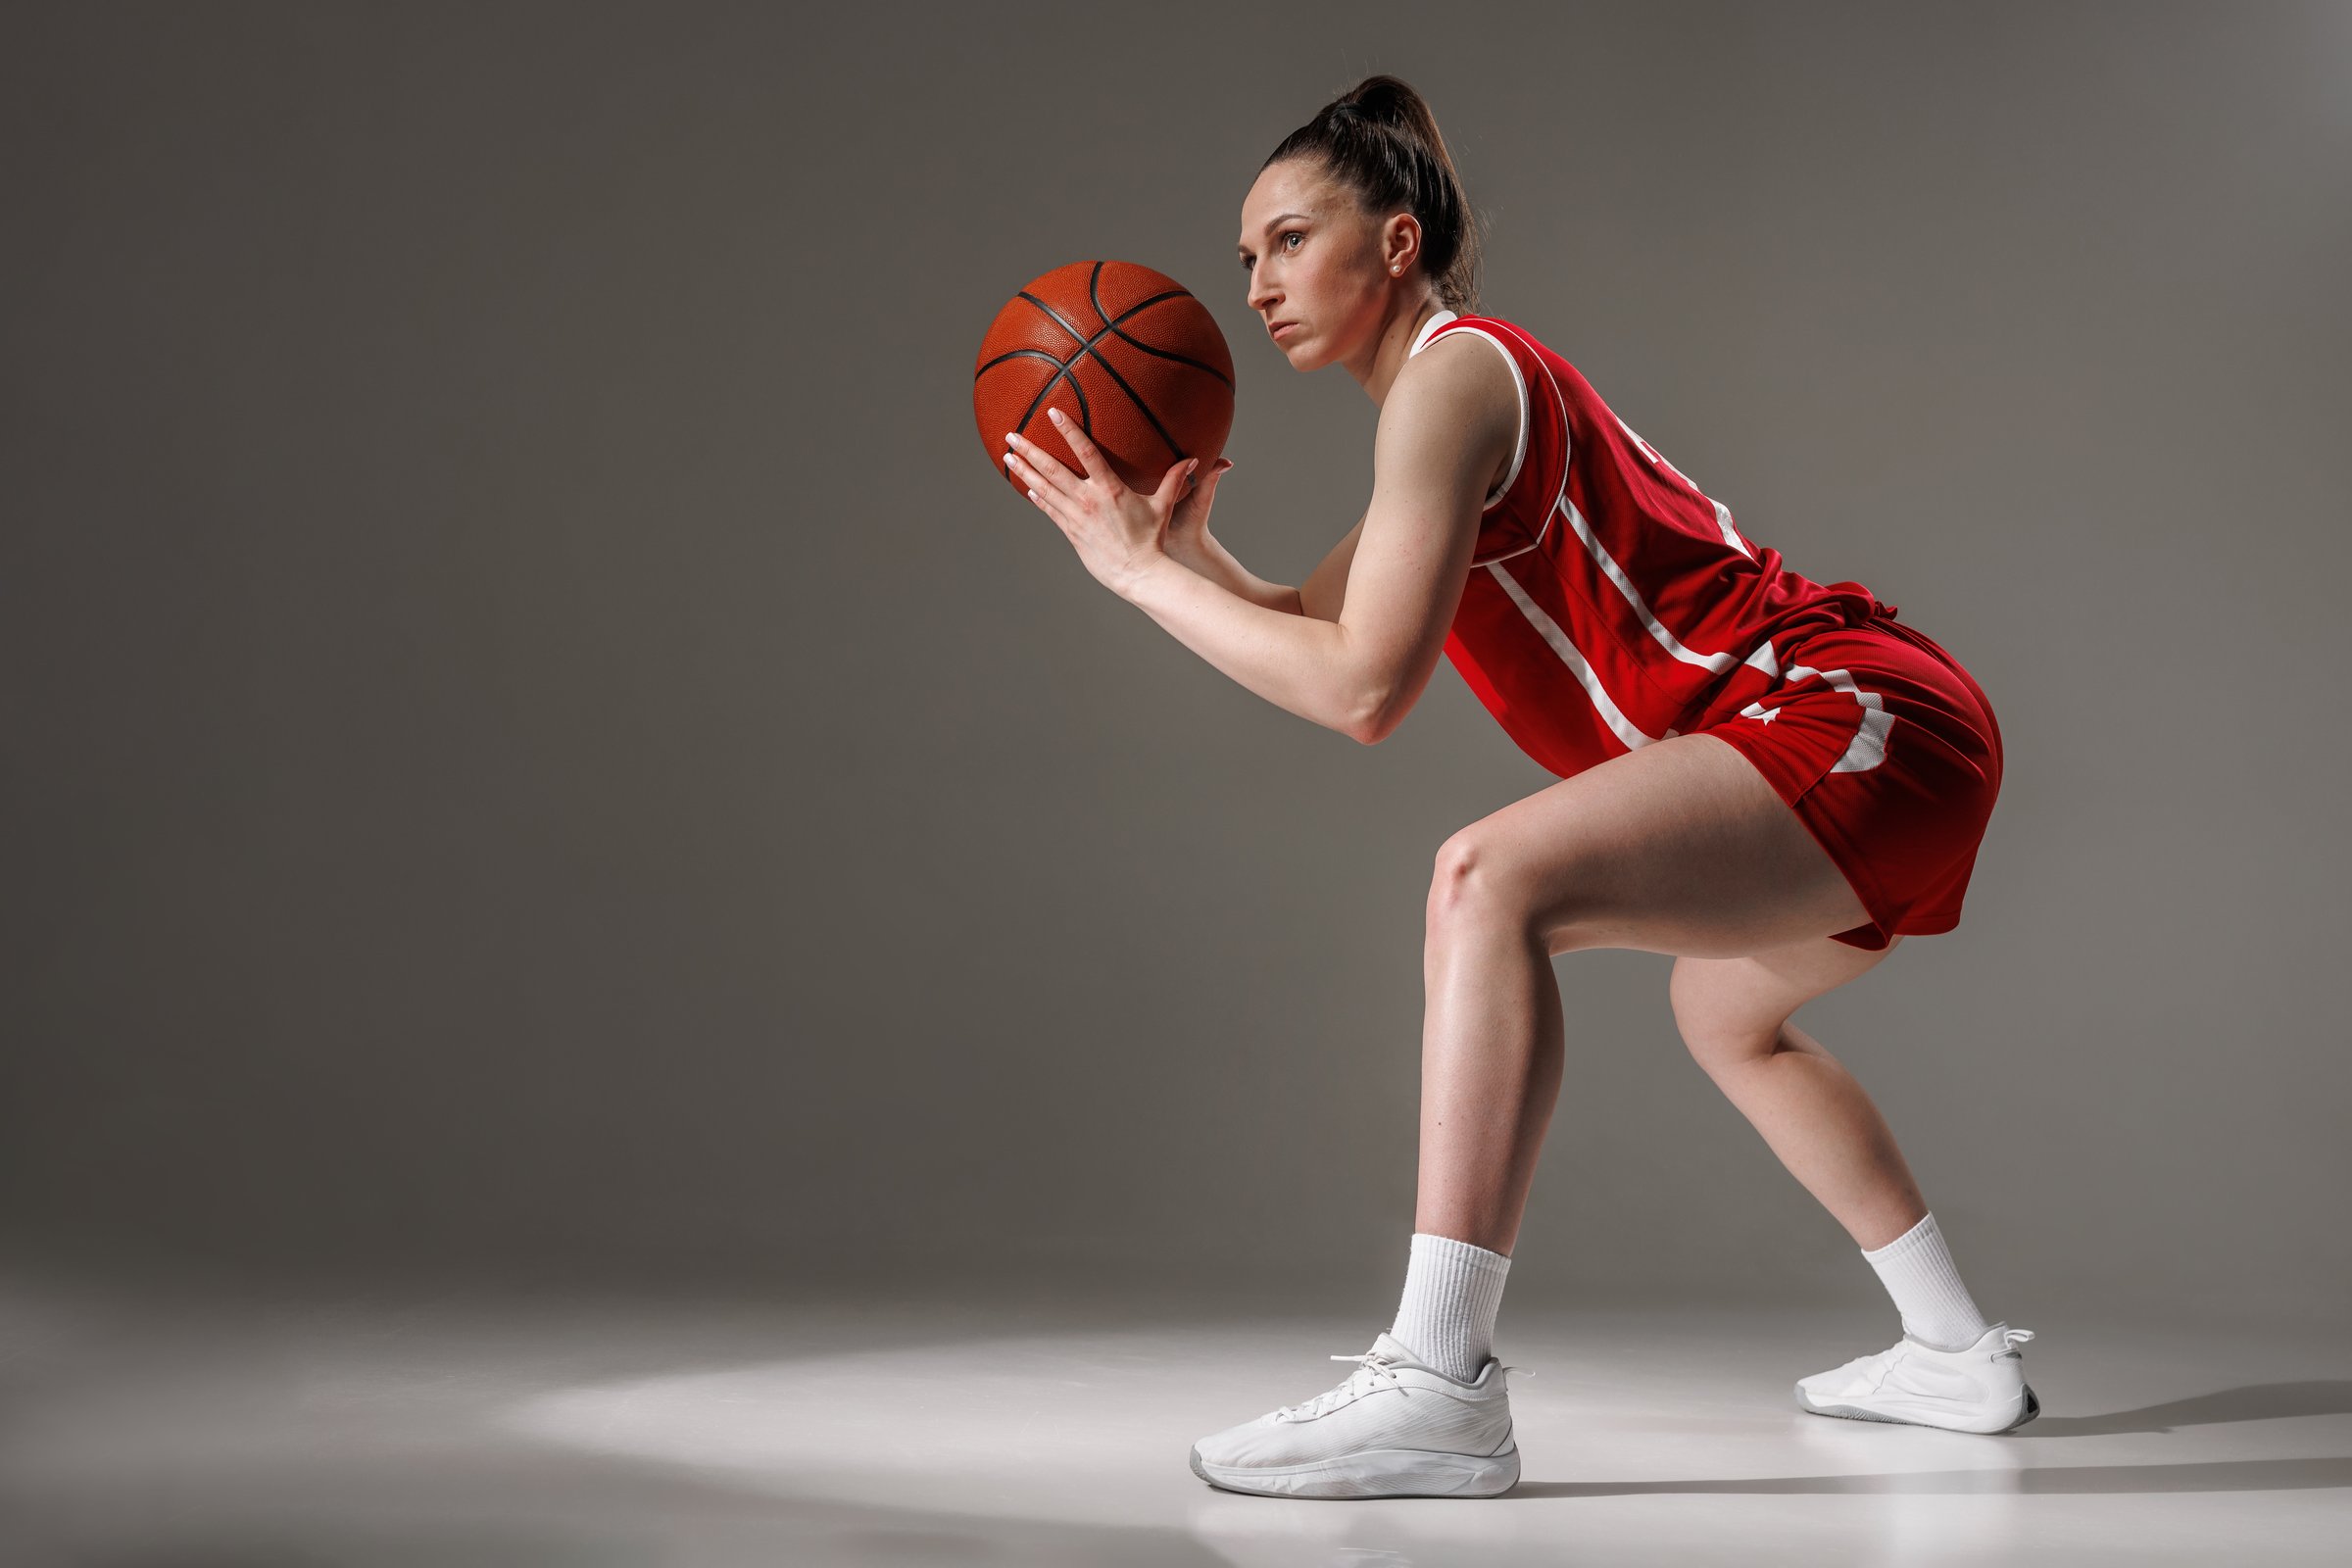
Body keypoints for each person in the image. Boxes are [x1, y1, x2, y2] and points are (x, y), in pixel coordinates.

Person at [1000, 74, 2034, 1501]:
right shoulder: (1442, 411)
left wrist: (1137, 582)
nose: (1257, 286)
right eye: (1245, 257)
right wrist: (1177, 558)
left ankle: (1439, 1383)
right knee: (1725, 1014)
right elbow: (1310, 622)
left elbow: (1363, 693)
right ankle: (1955, 1351)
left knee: (1487, 882)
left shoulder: (1457, 379)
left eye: (1290, 240)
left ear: (1398, 243)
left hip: (1856, 715)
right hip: (1875, 731)